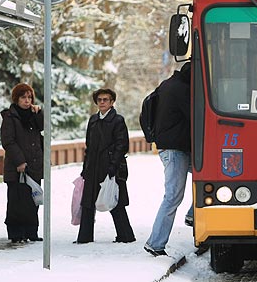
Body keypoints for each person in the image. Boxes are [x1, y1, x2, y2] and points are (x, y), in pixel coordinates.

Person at [74, 88, 135, 244]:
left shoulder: (118, 120)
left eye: (105, 99)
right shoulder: (93, 120)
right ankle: (84, 238)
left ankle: (125, 236)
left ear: (112, 102)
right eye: (99, 100)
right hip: (93, 167)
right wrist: (85, 168)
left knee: (115, 201)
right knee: (88, 202)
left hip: (110, 167)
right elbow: (88, 145)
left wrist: (113, 166)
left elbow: (122, 145)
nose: (102, 102)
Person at [144, 62, 191, 257]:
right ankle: (155, 243)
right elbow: (196, 115)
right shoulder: (182, 89)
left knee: (207, 178)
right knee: (172, 196)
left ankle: (192, 215)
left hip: (174, 147)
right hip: (175, 150)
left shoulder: (167, 84)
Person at [0, 83, 44, 244]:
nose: (27, 100)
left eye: (29, 97)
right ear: (16, 99)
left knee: (33, 200)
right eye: (23, 97)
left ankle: (31, 231)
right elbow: (8, 142)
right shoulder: (10, 117)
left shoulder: (33, 116)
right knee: (16, 201)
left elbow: (43, 128)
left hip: (33, 166)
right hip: (16, 167)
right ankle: (16, 233)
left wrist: (39, 113)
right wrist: (20, 161)